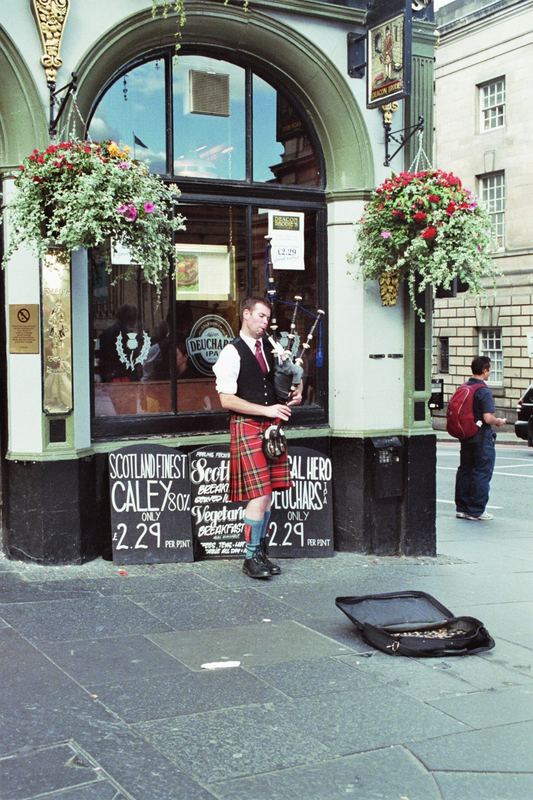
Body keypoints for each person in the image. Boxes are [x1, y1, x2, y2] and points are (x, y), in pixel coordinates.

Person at [213, 296, 303, 578]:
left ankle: (260, 552)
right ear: (247, 315)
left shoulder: (271, 346)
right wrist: (265, 409)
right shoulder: (232, 352)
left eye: (268, 318)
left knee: (268, 495)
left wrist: (296, 392)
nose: (265, 322)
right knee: (260, 492)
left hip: (271, 426)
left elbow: (287, 377)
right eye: (261, 316)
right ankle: (250, 557)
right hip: (247, 424)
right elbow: (226, 400)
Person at [455, 356, 507, 521]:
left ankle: (462, 508)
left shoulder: (464, 386)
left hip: (466, 436)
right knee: (482, 472)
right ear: (484, 370)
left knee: (465, 470)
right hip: (481, 437)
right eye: (489, 369)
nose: (490, 372)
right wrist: (499, 421)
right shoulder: (483, 391)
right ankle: (476, 510)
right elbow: (487, 418)